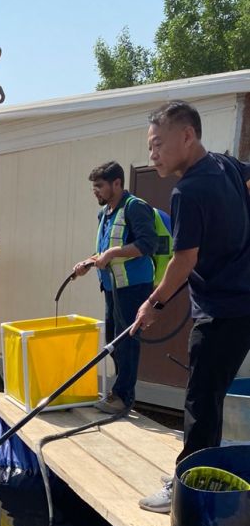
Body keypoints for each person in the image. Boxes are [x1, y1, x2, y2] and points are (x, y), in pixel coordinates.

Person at [133, 100, 250, 513]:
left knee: (201, 402)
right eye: (150, 146)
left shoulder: (188, 190)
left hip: (221, 311)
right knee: (211, 397)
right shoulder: (227, 166)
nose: (153, 154)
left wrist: (152, 304)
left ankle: (187, 489)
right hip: (243, 303)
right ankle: (205, 483)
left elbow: (184, 261)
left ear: (187, 136)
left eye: (158, 144)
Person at [73, 161, 158, 414]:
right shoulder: (106, 213)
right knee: (113, 341)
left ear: (117, 184)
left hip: (134, 288)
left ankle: (123, 396)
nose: (95, 191)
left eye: (99, 186)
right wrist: (89, 262)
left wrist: (111, 253)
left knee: (127, 343)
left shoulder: (135, 208)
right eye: (94, 187)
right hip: (113, 288)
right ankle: (120, 393)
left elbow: (147, 244)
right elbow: (104, 251)